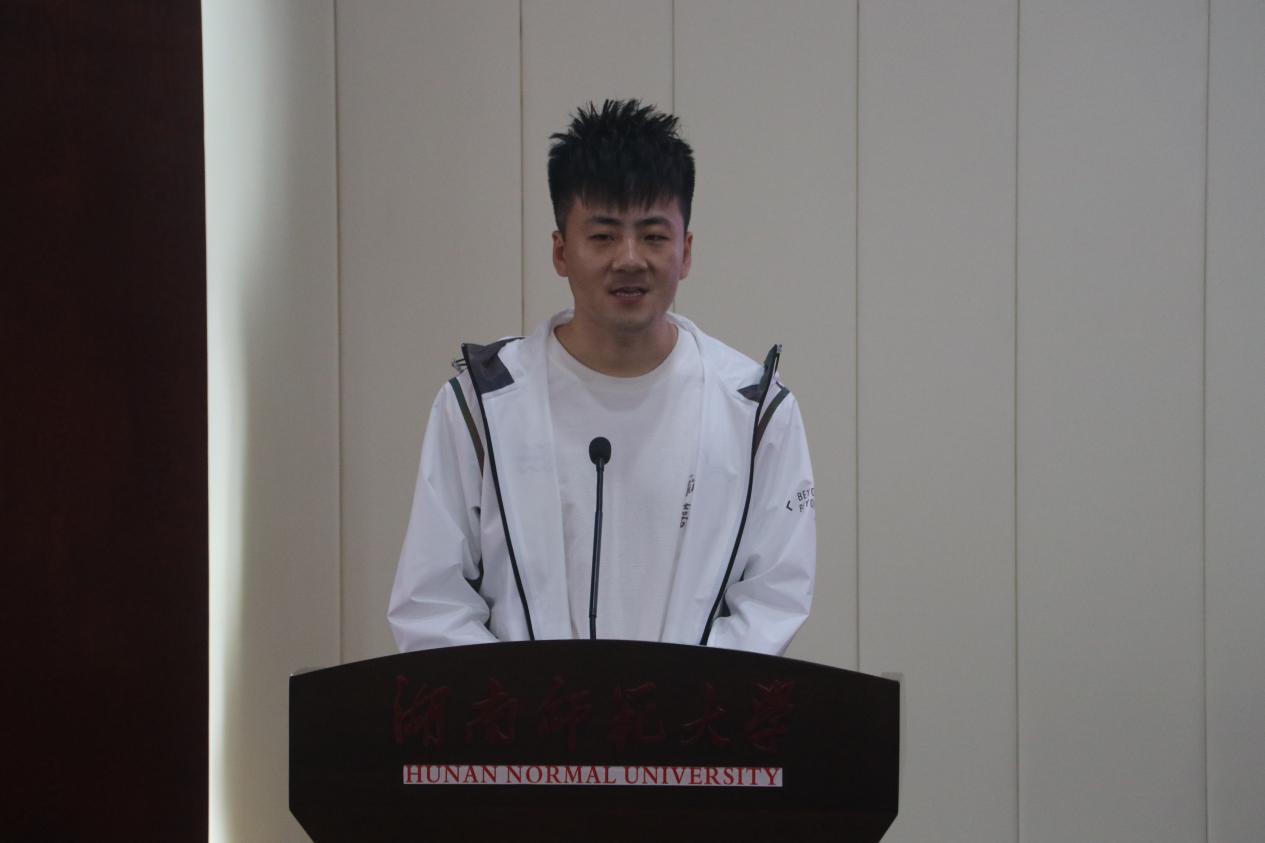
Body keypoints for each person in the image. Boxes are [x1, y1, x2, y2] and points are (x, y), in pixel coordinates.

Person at [389, 99, 814, 656]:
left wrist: (675, 703)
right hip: (523, 714)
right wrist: (531, 704)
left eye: (654, 236)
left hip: (695, 714)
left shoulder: (755, 409)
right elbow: (432, 604)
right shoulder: (481, 403)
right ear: (561, 252)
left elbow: (772, 601)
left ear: (686, 252)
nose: (630, 259)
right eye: (603, 236)